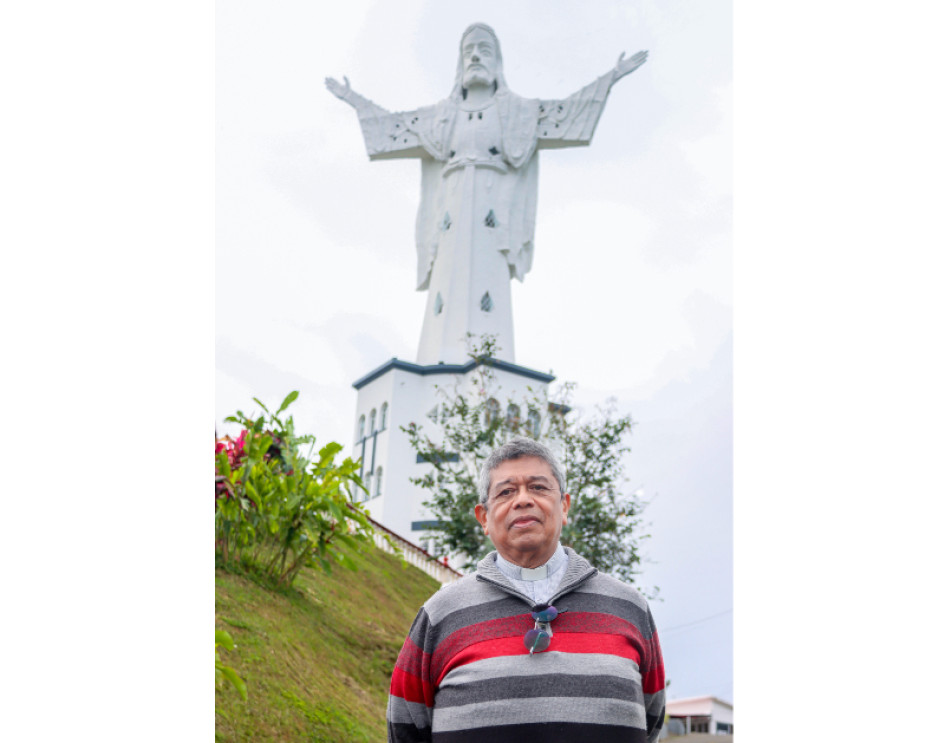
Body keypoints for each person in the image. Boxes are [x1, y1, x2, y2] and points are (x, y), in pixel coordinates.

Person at [326, 24, 647, 365]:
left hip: (494, 215)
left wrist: (611, 79)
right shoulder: (440, 117)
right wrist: (353, 99)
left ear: (498, 62)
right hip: (451, 212)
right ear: (460, 62)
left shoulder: (519, 113)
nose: (475, 56)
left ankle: (488, 371)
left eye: (484, 49)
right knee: (444, 297)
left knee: (488, 293)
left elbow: (568, 113)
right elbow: (389, 128)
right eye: (468, 51)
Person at [386, 437, 665, 742]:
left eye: (538, 487)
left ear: (565, 506)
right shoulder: (440, 615)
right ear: (484, 518)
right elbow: (405, 728)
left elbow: (652, 719)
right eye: (506, 491)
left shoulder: (629, 607)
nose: (522, 500)